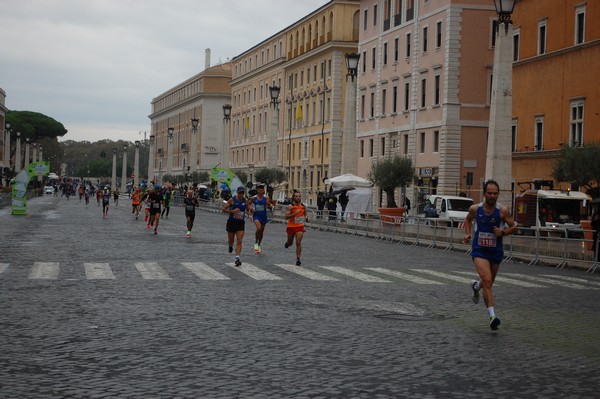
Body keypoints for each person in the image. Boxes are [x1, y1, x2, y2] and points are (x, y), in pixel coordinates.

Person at [463, 180, 518, 331]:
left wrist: (503, 232)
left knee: (488, 283)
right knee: (487, 280)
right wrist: (467, 234)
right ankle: (492, 317)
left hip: (495, 251)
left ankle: (476, 286)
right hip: (479, 250)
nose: (492, 196)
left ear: (498, 194)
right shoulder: (475, 209)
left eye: (495, 193)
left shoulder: (502, 211)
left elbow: (514, 226)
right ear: (484, 193)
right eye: (489, 193)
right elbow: (467, 220)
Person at [223, 186, 247, 267]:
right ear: (237, 193)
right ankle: (230, 246)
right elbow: (224, 209)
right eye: (240, 193)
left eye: (242, 193)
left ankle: (237, 258)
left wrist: (251, 213)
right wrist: (232, 211)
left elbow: (248, 209)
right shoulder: (232, 200)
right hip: (232, 222)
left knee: (239, 240)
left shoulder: (245, 200)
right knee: (231, 241)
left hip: (240, 223)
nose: (241, 194)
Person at [248, 184, 275, 253]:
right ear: (257, 191)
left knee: (261, 231)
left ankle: (258, 244)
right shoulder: (254, 198)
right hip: (256, 216)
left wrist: (271, 206)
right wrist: (251, 209)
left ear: (263, 191)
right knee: (259, 228)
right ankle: (256, 243)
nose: (261, 191)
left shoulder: (266, 198)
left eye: (262, 190)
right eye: (259, 190)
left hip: (263, 216)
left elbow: (269, 206)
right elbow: (247, 204)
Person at [284, 190, 307, 266]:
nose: (298, 198)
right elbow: (286, 217)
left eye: (299, 196)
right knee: (290, 243)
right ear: (293, 197)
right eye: (296, 196)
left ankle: (298, 259)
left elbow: (305, 214)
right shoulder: (290, 206)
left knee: (298, 242)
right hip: (291, 227)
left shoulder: (303, 206)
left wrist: (306, 218)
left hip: (299, 226)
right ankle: (288, 243)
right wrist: (294, 214)